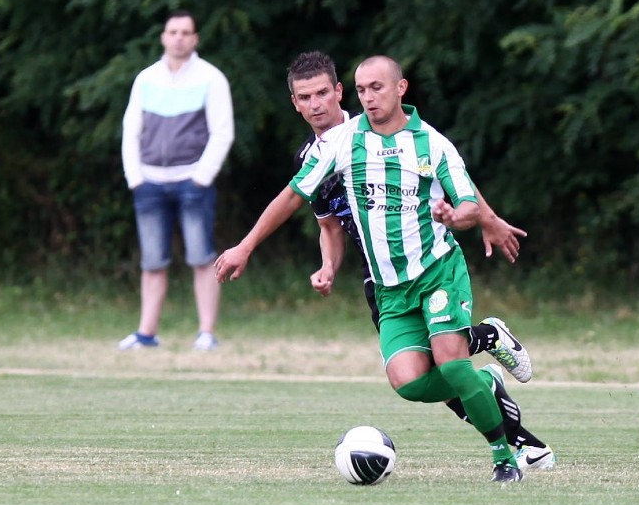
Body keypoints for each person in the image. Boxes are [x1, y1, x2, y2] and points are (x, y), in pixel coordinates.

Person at [217, 54, 528, 481]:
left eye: (376, 88)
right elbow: (293, 197)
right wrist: (246, 246)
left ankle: (504, 459)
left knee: (453, 365)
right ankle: (485, 387)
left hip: (437, 269)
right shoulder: (340, 143)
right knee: (410, 383)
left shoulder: (432, 144)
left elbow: (467, 198)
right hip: (387, 284)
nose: (368, 97)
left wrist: (464, 217)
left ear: (401, 88)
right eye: (363, 90)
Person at [287, 51, 554, 471]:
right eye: (305, 97)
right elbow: (330, 227)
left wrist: (488, 217)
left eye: (323, 93)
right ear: (296, 103)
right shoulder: (311, 157)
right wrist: (328, 267)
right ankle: (488, 351)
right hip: (380, 274)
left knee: (450, 362)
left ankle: (517, 440)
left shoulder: (373, 127)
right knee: (426, 374)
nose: (315, 104)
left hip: (428, 263)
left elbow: (444, 172)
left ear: (340, 93)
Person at [119, 10, 234, 352]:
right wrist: (135, 177)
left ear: (195, 38)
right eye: (173, 31)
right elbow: (130, 131)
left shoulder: (212, 78)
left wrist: (200, 178)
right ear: (163, 37)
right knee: (152, 263)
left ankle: (206, 334)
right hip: (149, 183)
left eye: (186, 32)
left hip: (191, 183)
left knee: (202, 258)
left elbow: (222, 133)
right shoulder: (146, 79)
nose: (179, 37)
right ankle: (146, 334)